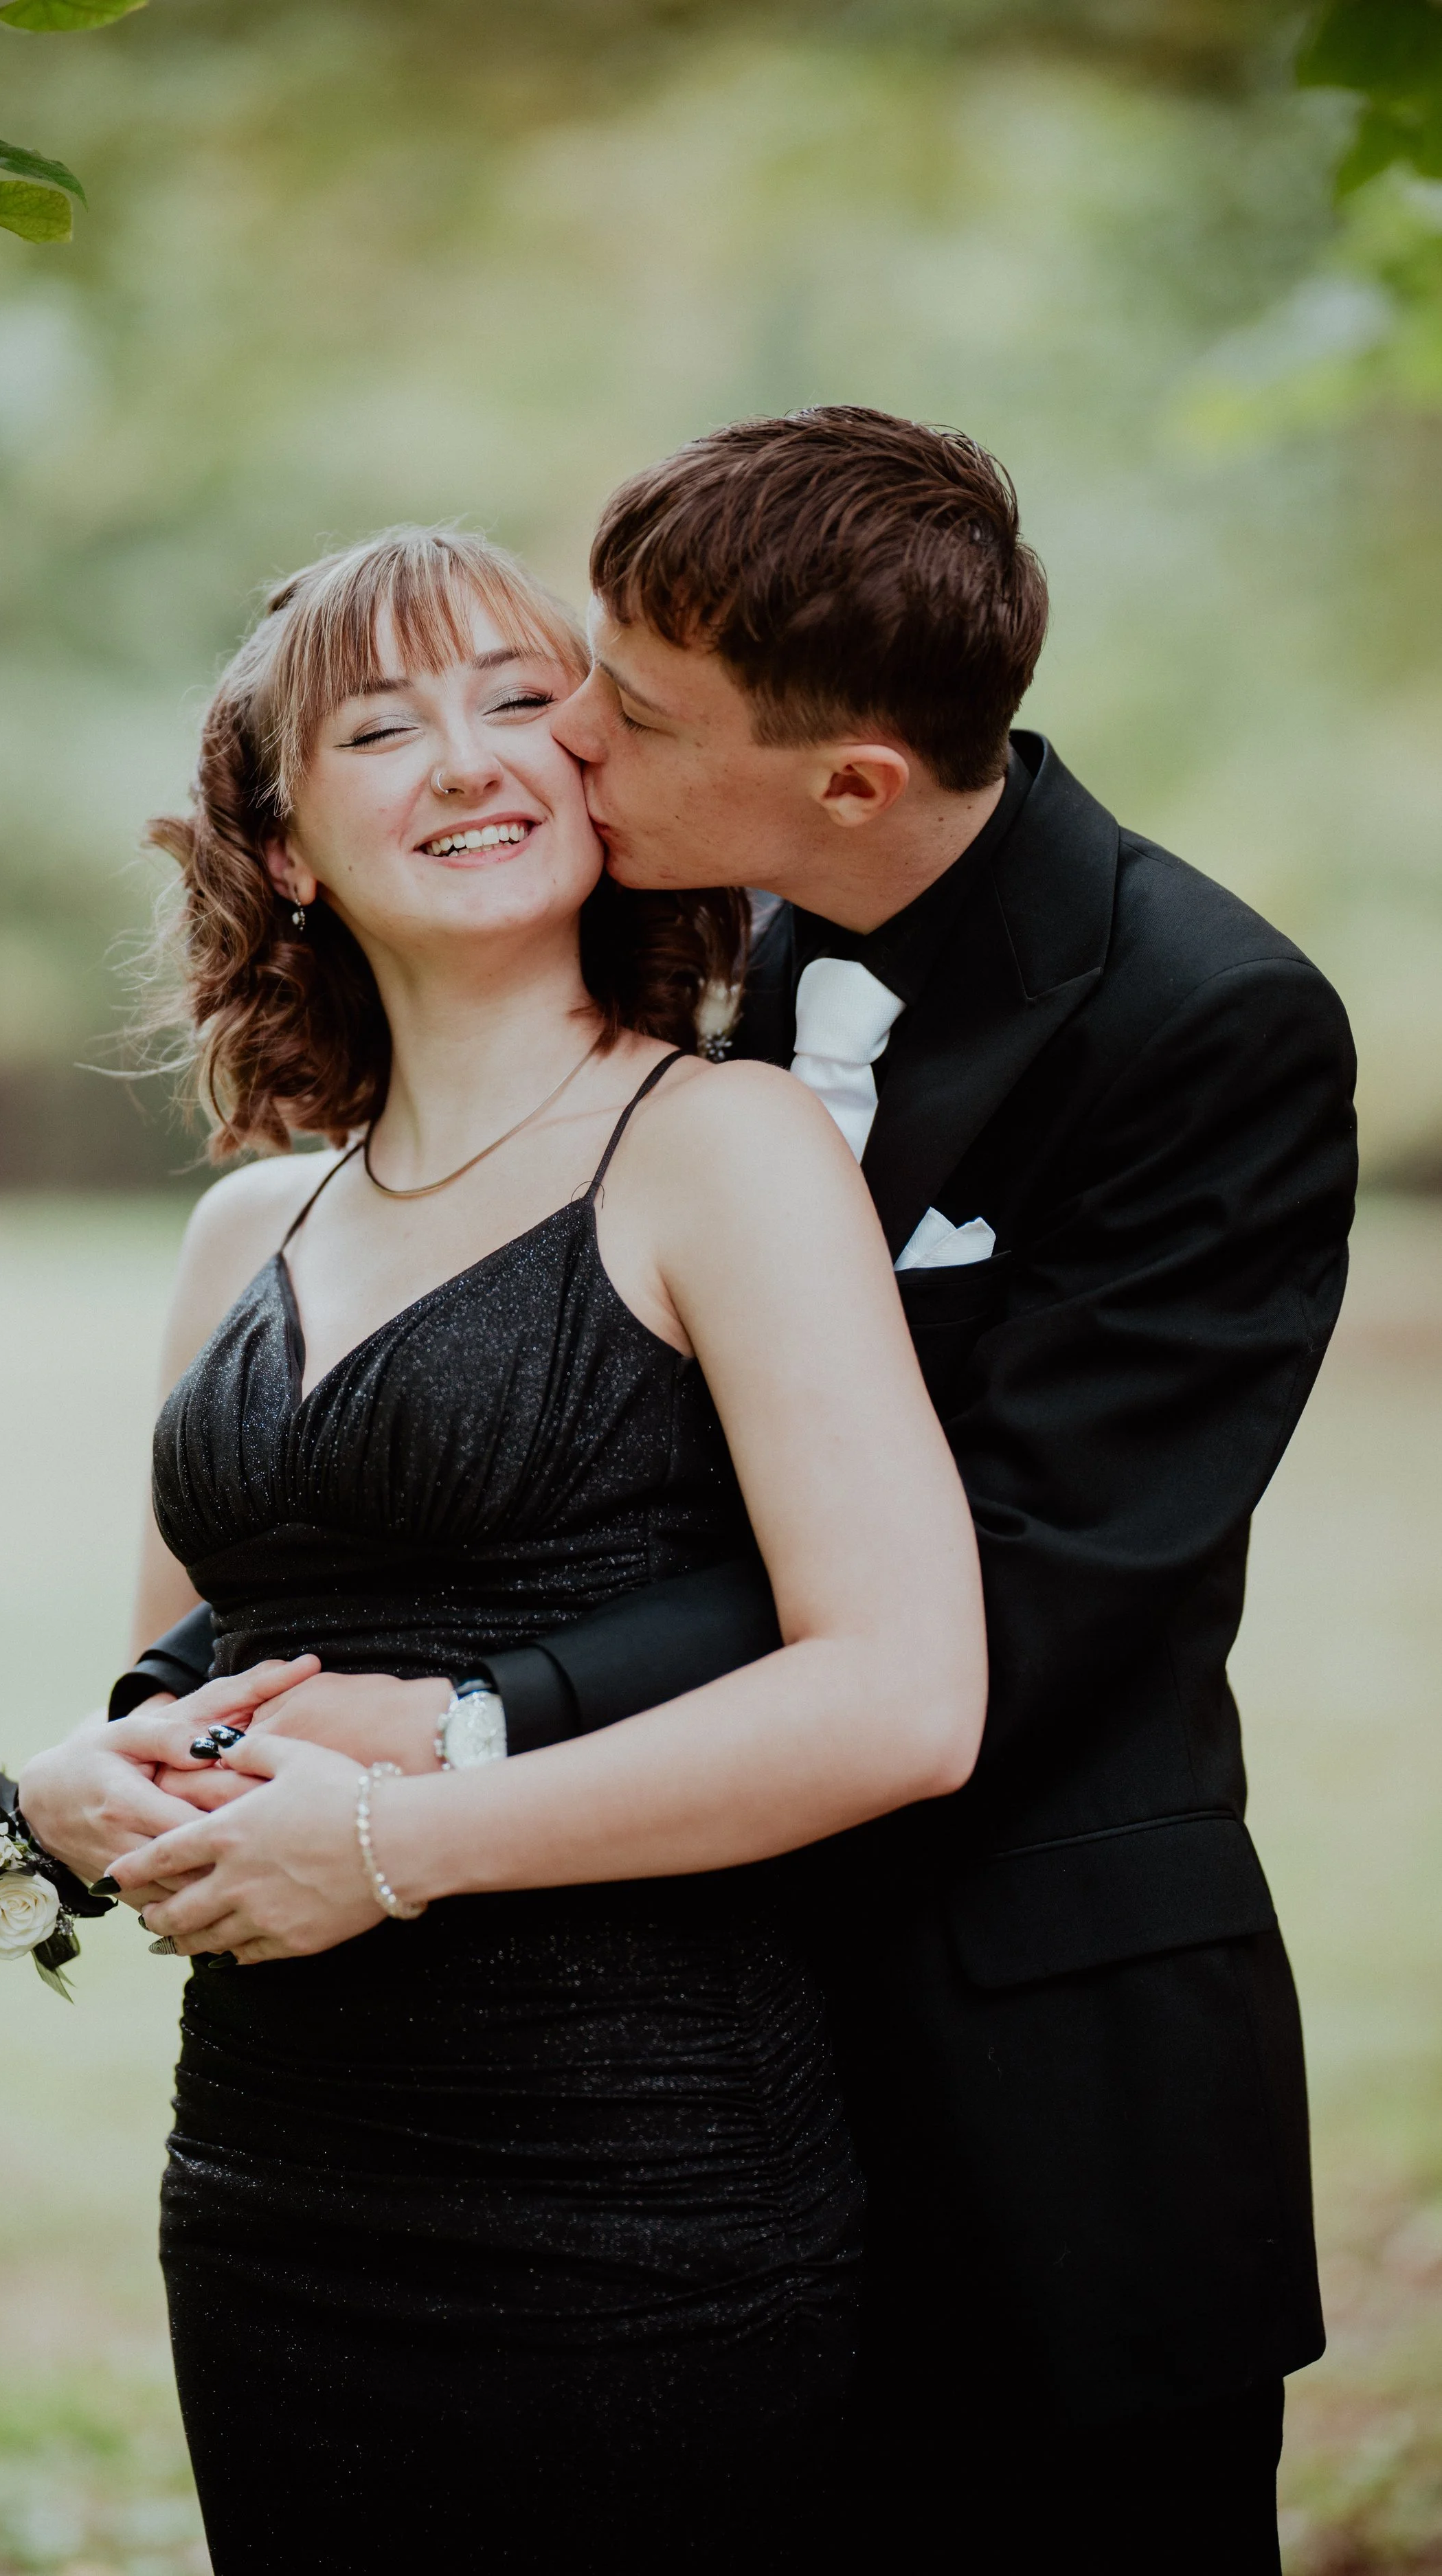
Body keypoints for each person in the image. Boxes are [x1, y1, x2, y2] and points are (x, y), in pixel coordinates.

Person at [94, 410, 1358, 2573]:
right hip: (483, 2057)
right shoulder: (728, 950)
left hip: (1010, 2024)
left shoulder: (1198, 1024)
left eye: (599, 701)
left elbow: (1021, 1588)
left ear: (846, 780)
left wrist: (463, 1732)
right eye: (518, 684)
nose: (555, 742)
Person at [17, 524, 987, 2571]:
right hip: (278, 2176)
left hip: (629, 2172)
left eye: (522, 700)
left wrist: (384, 1846)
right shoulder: (243, 1233)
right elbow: (183, 1667)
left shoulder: (721, 1147)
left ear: (599, 774)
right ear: (284, 847)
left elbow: (902, 1696)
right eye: (381, 725)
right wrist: (80, 1784)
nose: (468, 758)